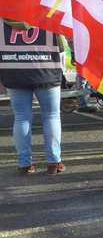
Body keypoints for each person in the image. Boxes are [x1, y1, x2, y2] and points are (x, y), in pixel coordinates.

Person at [1, 19, 67, 175]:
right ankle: (54, 161)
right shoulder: (48, 13)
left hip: (13, 72)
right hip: (46, 71)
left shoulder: (4, 15)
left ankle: (24, 163)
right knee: (51, 116)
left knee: (21, 118)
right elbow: (62, 46)